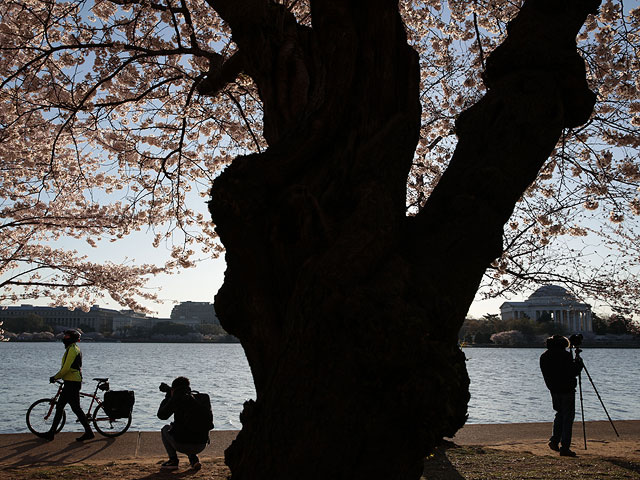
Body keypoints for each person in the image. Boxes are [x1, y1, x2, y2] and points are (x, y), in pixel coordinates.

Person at [41, 329, 95, 442]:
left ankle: (52, 434)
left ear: (71, 339)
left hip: (72, 383)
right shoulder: (72, 349)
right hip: (71, 382)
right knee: (68, 408)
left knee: (67, 407)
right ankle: (88, 432)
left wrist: (55, 377)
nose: (64, 338)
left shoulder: (73, 350)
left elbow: (66, 368)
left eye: (66, 337)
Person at [539, 334, 583, 457]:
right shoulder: (564, 355)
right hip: (567, 389)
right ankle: (565, 447)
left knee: (560, 414)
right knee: (568, 417)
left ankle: (554, 440)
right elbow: (572, 372)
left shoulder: (544, 356)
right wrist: (578, 363)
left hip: (553, 389)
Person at [157, 376, 209, 471]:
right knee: (190, 429)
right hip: (202, 444)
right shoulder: (203, 397)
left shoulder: (176, 400)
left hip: (182, 444)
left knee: (166, 429)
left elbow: (161, 415)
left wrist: (169, 396)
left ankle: (173, 461)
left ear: (174, 389)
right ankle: (194, 460)